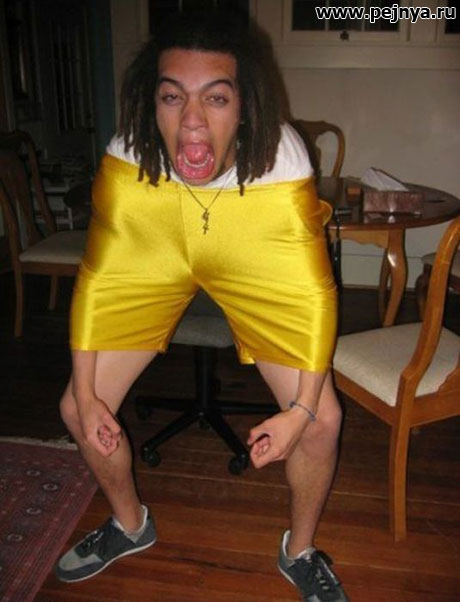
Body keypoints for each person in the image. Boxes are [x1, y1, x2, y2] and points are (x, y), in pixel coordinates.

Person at [55, 10, 348, 602]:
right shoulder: (129, 155)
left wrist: (300, 411)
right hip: (157, 237)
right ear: (152, 103)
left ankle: (300, 551)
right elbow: (98, 279)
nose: (192, 119)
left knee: (322, 421)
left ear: (244, 107)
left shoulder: (280, 159)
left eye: (215, 98)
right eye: (172, 97)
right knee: (74, 407)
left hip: (250, 238)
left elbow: (314, 294)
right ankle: (130, 525)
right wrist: (86, 394)